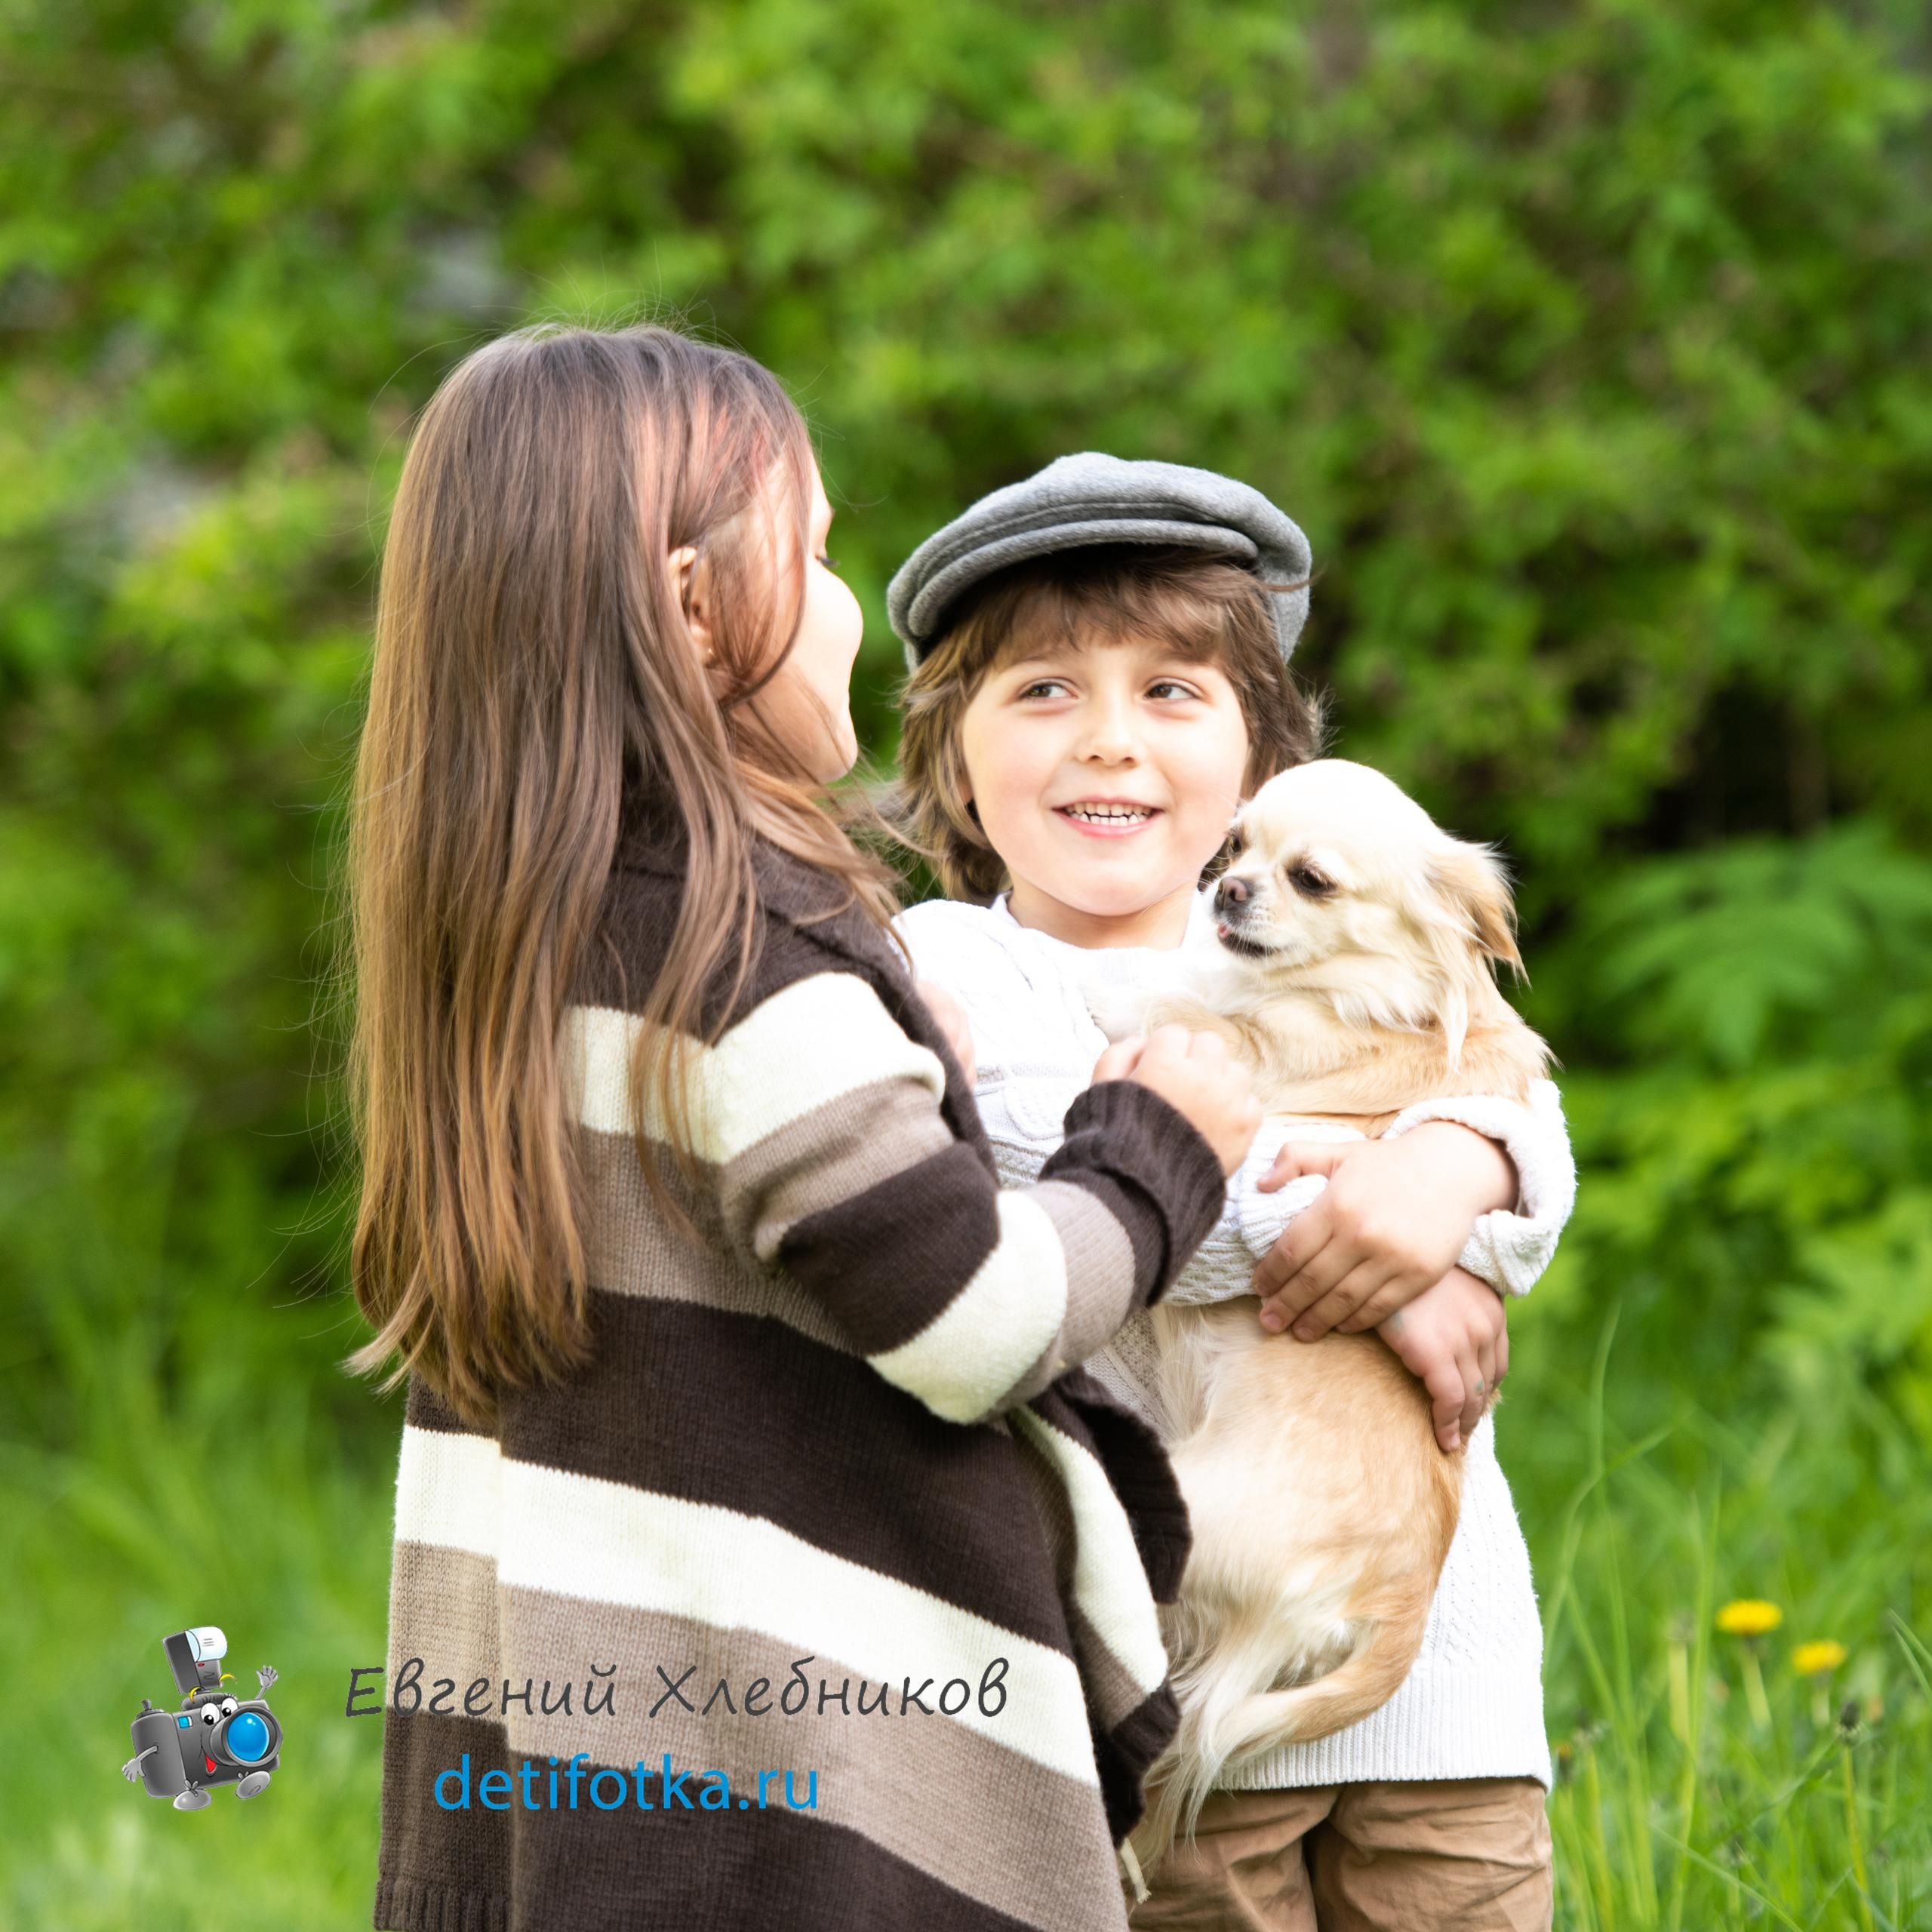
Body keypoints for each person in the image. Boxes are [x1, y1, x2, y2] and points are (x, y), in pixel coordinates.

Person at [346, 333, 1263, 1931]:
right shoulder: (744, 962)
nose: (845, 608)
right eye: (821, 553)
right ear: (700, 613)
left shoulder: (521, 948)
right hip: (799, 1798)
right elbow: (973, 1318)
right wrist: (1152, 1141)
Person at [886, 454, 1574, 1931]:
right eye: (1043, 691)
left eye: (1171, 692)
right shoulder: (950, 964)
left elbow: (1520, 1100)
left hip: (1437, 1662)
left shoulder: (1355, 925)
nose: (1108, 743)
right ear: (951, 758)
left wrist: (1449, 1171)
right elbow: (1055, 1173)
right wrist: (1383, 1232)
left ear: (1265, 755)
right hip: (1178, 1646)